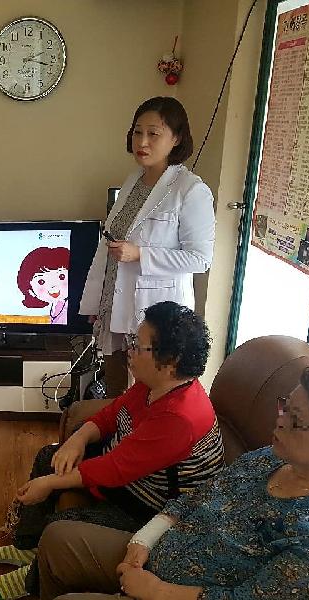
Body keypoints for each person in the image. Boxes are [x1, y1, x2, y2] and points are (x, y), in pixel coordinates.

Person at [37, 365, 309, 600]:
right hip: (155, 555)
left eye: (295, 420)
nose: (279, 420)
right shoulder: (270, 458)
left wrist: (158, 591)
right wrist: (143, 541)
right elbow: (198, 496)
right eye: (284, 407)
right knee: (57, 538)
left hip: (172, 592)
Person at [0, 301, 224, 600]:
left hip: (149, 507)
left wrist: (50, 483)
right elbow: (111, 415)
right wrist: (78, 439)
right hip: (127, 479)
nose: (129, 350)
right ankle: (28, 546)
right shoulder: (153, 384)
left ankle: (32, 581)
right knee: (49, 457)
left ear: (170, 362)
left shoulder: (180, 417)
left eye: (138, 346)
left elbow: (114, 469)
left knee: (61, 524)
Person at [80, 97, 216, 397]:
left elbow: (200, 259)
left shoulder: (191, 190)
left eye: (153, 133)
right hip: (115, 303)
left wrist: (141, 254)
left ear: (176, 138)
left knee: (145, 393)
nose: (142, 142)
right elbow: (110, 244)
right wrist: (98, 302)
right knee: (117, 389)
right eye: (137, 132)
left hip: (154, 311)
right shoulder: (134, 182)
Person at [16, 247, 70, 325]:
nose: (53, 286)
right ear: (30, 290)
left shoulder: (68, 307)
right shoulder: (57, 305)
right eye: (41, 282)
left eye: (62, 277)